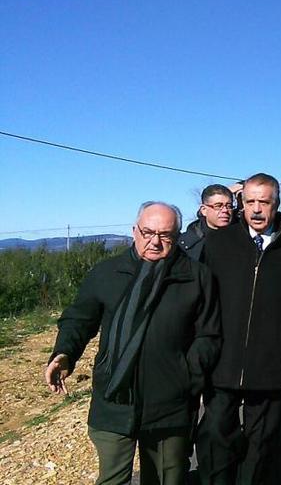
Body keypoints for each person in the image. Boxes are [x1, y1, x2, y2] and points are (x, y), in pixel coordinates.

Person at [45, 202, 221, 485]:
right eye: (147, 232)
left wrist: (187, 376)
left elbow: (209, 335)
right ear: (134, 231)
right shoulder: (107, 273)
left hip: (170, 402)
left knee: (167, 478)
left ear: (177, 237)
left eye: (165, 235)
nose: (154, 241)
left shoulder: (196, 276)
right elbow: (79, 319)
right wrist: (65, 352)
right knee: (112, 479)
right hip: (114, 398)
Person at [196, 173, 281, 484]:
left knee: (261, 440)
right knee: (214, 434)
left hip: (270, 362)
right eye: (249, 201)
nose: (255, 209)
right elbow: (200, 300)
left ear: (276, 204)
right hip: (223, 360)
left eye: (263, 202)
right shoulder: (219, 243)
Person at [178, 184, 236, 261]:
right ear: (204, 210)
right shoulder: (185, 245)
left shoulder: (243, 237)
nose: (225, 210)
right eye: (218, 206)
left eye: (229, 206)